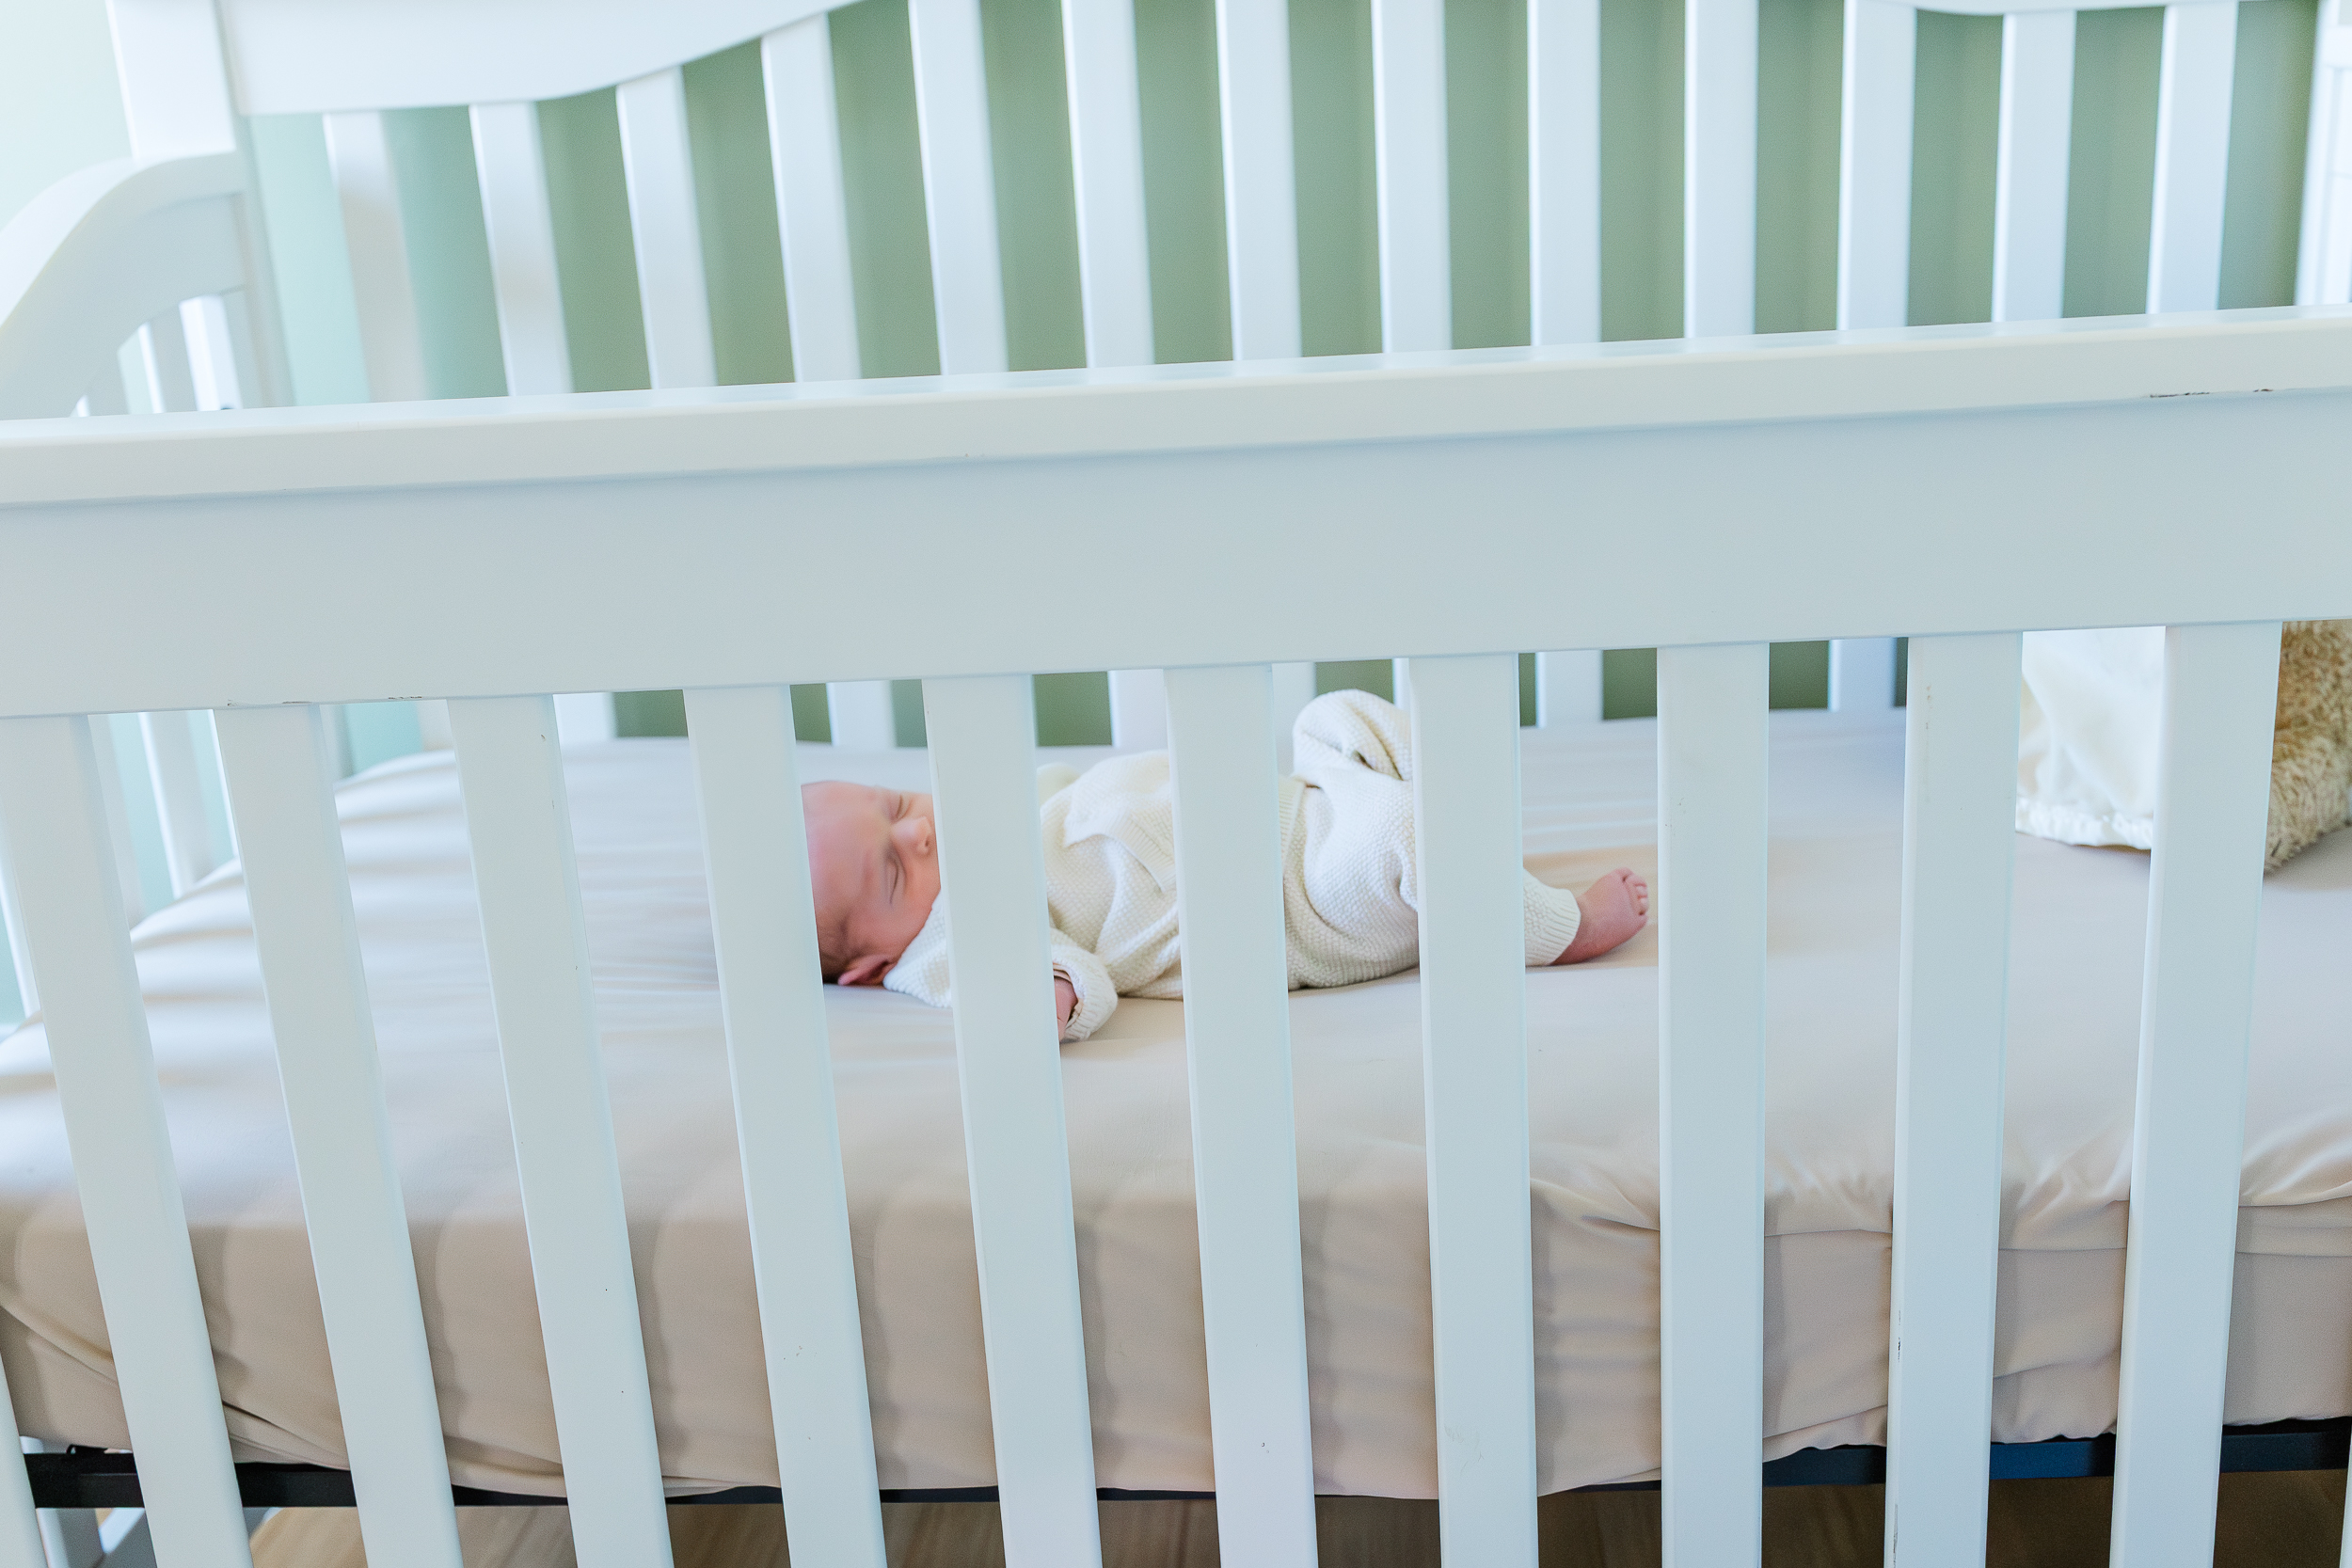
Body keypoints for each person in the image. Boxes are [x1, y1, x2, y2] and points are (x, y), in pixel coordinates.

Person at [803, 690, 1650, 1043]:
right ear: (872, 966)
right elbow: (1072, 981)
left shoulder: (991, 816)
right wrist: (1046, 1002)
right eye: (890, 875)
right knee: (1394, 826)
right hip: (1294, 903)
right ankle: (1554, 926)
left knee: (1338, 714)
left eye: (899, 808)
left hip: (1291, 804)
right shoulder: (953, 943)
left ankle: (1463, 857)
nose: (918, 839)